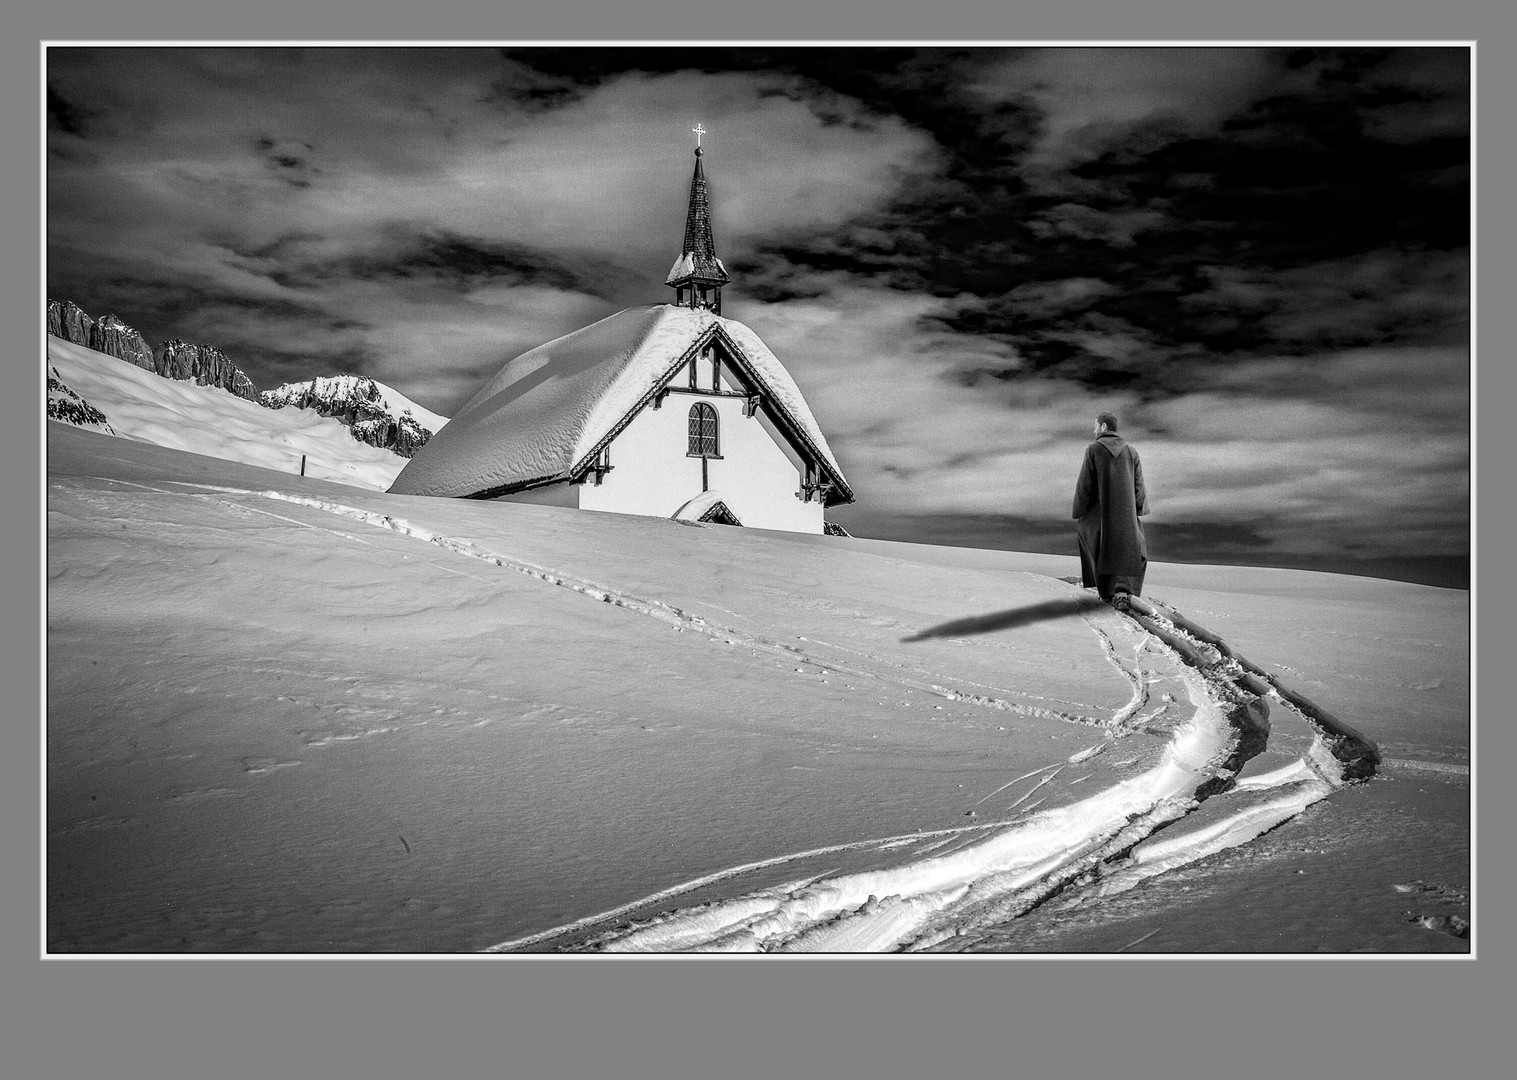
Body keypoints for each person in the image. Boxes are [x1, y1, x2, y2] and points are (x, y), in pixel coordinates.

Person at [1072, 411, 1149, 611]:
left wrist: (1079, 510)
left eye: (1095, 426)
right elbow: (1138, 485)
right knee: (1131, 543)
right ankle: (1123, 591)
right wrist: (1138, 508)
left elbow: (1084, 486)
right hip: (1126, 513)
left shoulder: (1093, 450)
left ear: (1104, 427)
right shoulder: (1131, 452)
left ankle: (1106, 592)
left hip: (1101, 514)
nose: (1094, 429)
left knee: (1090, 534)